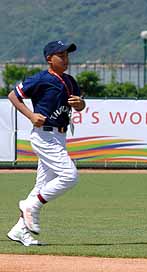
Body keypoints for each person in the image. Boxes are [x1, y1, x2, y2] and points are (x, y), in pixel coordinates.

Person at [7, 40, 85, 246]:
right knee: (70, 176)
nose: (66, 58)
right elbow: (13, 95)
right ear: (49, 59)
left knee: (41, 185)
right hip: (44, 135)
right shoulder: (41, 79)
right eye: (61, 55)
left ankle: (19, 230)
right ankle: (30, 205)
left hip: (59, 136)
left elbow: (79, 104)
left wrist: (81, 104)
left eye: (67, 55)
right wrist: (31, 116)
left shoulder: (70, 81)